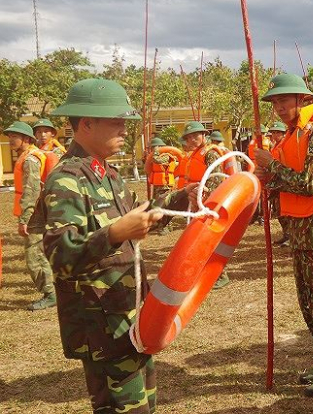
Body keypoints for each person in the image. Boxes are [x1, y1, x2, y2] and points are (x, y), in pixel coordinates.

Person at [32, 78, 196, 413]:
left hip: (129, 315)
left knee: (144, 405)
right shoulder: (66, 179)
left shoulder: (107, 173)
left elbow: (140, 215)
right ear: (86, 124)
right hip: (102, 328)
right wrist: (115, 234)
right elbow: (61, 257)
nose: (125, 128)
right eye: (115, 121)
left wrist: (181, 198)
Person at [253, 73, 313, 396]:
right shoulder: (292, 136)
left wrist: (272, 167)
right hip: (301, 234)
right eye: (275, 102)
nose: (279, 107)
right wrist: (267, 176)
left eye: (284, 100)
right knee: (308, 303)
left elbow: (309, 184)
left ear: (302, 99)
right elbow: (285, 181)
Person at [4, 121, 56, 311]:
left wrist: (25, 219)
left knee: (35, 257)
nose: (10, 140)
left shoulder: (30, 160)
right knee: (40, 254)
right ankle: (52, 291)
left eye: (14, 137)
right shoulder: (28, 156)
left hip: (34, 215)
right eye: (9, 137)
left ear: (26, 139)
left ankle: (50, 294)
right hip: (37, 213)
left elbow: (31, 191)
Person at [182, 121, 231, 288]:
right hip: (197, 202)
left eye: (195, 135)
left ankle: (220, 274)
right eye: (189, 137)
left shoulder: (210, 153)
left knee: (211, 239)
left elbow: (216, 178)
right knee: (199, 239)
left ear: (204, 135)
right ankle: (206, 271)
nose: (192, 139)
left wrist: (204, 201)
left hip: (208, 203)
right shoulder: (196, 154)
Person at [268, 121, 290, 247]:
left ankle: (290, 236)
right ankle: (286, 234)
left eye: (278, 133)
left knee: (285, 211)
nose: (275, 135)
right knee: (278, 211)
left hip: (284, 182)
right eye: (273, 132)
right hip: (275, 183)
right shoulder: (274, 147)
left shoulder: (285, 146)